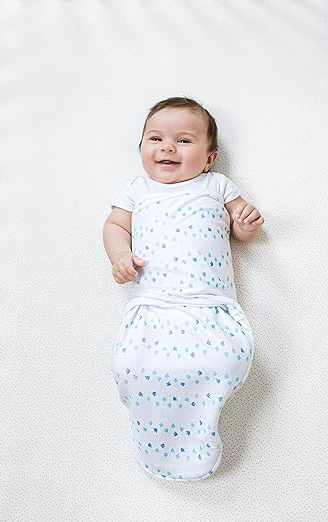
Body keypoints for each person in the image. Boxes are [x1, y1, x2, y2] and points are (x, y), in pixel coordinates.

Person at [102, 96, 264, 482]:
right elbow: (115, 225)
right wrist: (119, 255)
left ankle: (202, 423)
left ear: (210, 158)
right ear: (142, 148)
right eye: (155, 139)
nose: (168, 148)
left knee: (224, 360)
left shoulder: (217, 185)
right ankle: (156, 434)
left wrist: (247, 223)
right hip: (154, 303)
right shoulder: (137, 190)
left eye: (184, 140)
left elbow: (240, 230)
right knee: (132, 365)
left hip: (208, 305)